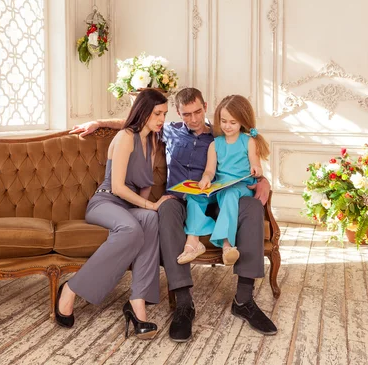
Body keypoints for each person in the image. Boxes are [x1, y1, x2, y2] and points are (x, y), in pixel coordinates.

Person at [70, 88, 277, 342]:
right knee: (166, 208)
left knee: (253, 207)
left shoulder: (219, 133)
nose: (193, 119)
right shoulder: (168, 130)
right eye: (187, 114)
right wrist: (100, 123)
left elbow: (246, 156)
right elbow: (135, 122)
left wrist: (264, 179)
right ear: (178, 114)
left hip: (217, 198)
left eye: (198, 112)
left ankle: (244, 300)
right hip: (180, 200)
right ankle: (183, 304)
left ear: (205, 106)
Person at [56, 89, 174, 340]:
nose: (162, 119)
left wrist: (150, 207)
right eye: (157, 113)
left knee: (151, 219)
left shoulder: (152, 141)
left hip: (129, 206)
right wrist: (151, 205)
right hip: (106, 201)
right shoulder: (125, 137)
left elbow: (144, 187)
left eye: (164, 113)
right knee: (133, 227)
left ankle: (137, 302)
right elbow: (119, 187)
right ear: (143, 112)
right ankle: (71, 288)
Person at [178, 95, 270, 267]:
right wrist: (205, 179)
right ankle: (194, 240)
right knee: (193, 196)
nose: (227, 126)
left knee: (229, 194)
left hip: (241, 186)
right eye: (224, 121)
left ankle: (227, 244)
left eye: (233, 122)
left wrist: (256, 170)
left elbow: (256, 166)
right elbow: (210, 170)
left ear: (242, 121)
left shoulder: (248, 141)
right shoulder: (215, 144)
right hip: (220, 186)